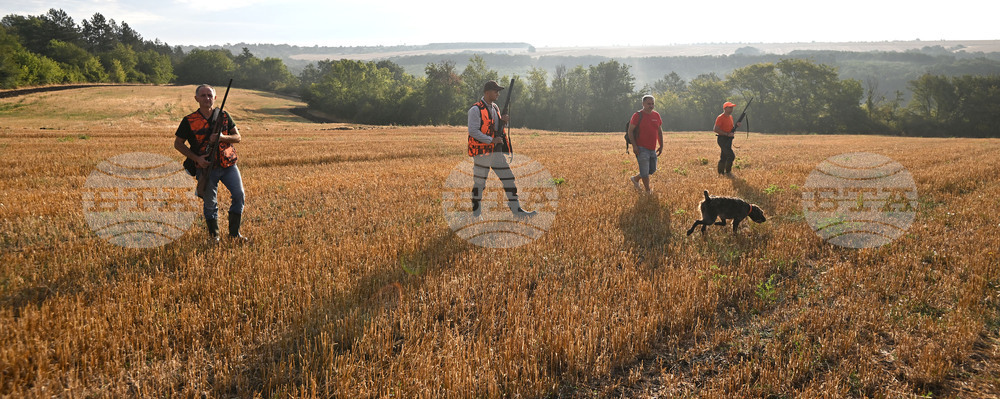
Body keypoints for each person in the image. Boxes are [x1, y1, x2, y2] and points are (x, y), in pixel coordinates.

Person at [173, 84, 248, 242]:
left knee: (239, 195)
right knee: (210, 203)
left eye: (209, 95)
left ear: (215, 98)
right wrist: (197, 159)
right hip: (206, 167)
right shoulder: (189, 120)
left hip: (228, 165)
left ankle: (234, 234)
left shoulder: (224, 116)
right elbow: (178, 144)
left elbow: (238, 137)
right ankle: (214, 237)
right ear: (196, 99)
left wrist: (222, 137)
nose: (207, 98)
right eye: (203, 95)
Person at [468, 80, 536, 218]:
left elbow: (496, 128)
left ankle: (517, 211)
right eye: (495, 91)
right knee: (480, 183)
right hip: (482, 153)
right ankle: (476, 214)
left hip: (496, 152)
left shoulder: (495, 108)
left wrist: (504, 121)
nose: (498, 94)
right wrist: (491, 140)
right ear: (487, 92)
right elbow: (473, 131)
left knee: (508, 178)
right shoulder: (475, 110)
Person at [627, 95, 664, 194]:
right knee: (644, 171)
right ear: (643, 104)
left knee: (652, 170)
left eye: (652, 104)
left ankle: (635, 179)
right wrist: (634, 146)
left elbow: (659, 132)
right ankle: (648, 191)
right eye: (648, 104)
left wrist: (661, 145)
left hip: (652, 148)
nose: (651, 106)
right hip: (641, 148)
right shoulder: (637, 115)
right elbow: (630, 131)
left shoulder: (656, 115)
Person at [713, 101, 742, 176]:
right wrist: (727, 134)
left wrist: (736, 126)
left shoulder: (730, 117)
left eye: (732, 108)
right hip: (722, 139)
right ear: (725, 108)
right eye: (730, 108)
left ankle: (721, 173)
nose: (732, 109)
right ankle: (728, 172)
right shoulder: (720, 117)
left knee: (724, 156)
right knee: (731, 156)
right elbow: (715, 129)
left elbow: (731, 128)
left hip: (728, 139)